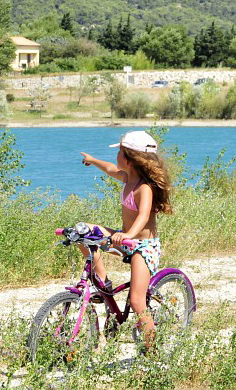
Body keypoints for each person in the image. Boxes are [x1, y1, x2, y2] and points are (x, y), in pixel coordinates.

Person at [79, 130, 173, 342]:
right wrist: (93, 160)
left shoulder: (144, 188)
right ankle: (103, 282)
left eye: (120, 152)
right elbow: (109, 168)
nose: (116, 156)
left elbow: (143, 215)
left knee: (137, 301)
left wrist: (128, 234)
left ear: (130, 159)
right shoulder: (127, 177)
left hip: (143, 246)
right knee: (84, 233)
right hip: (125, 239)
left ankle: (152, 350)